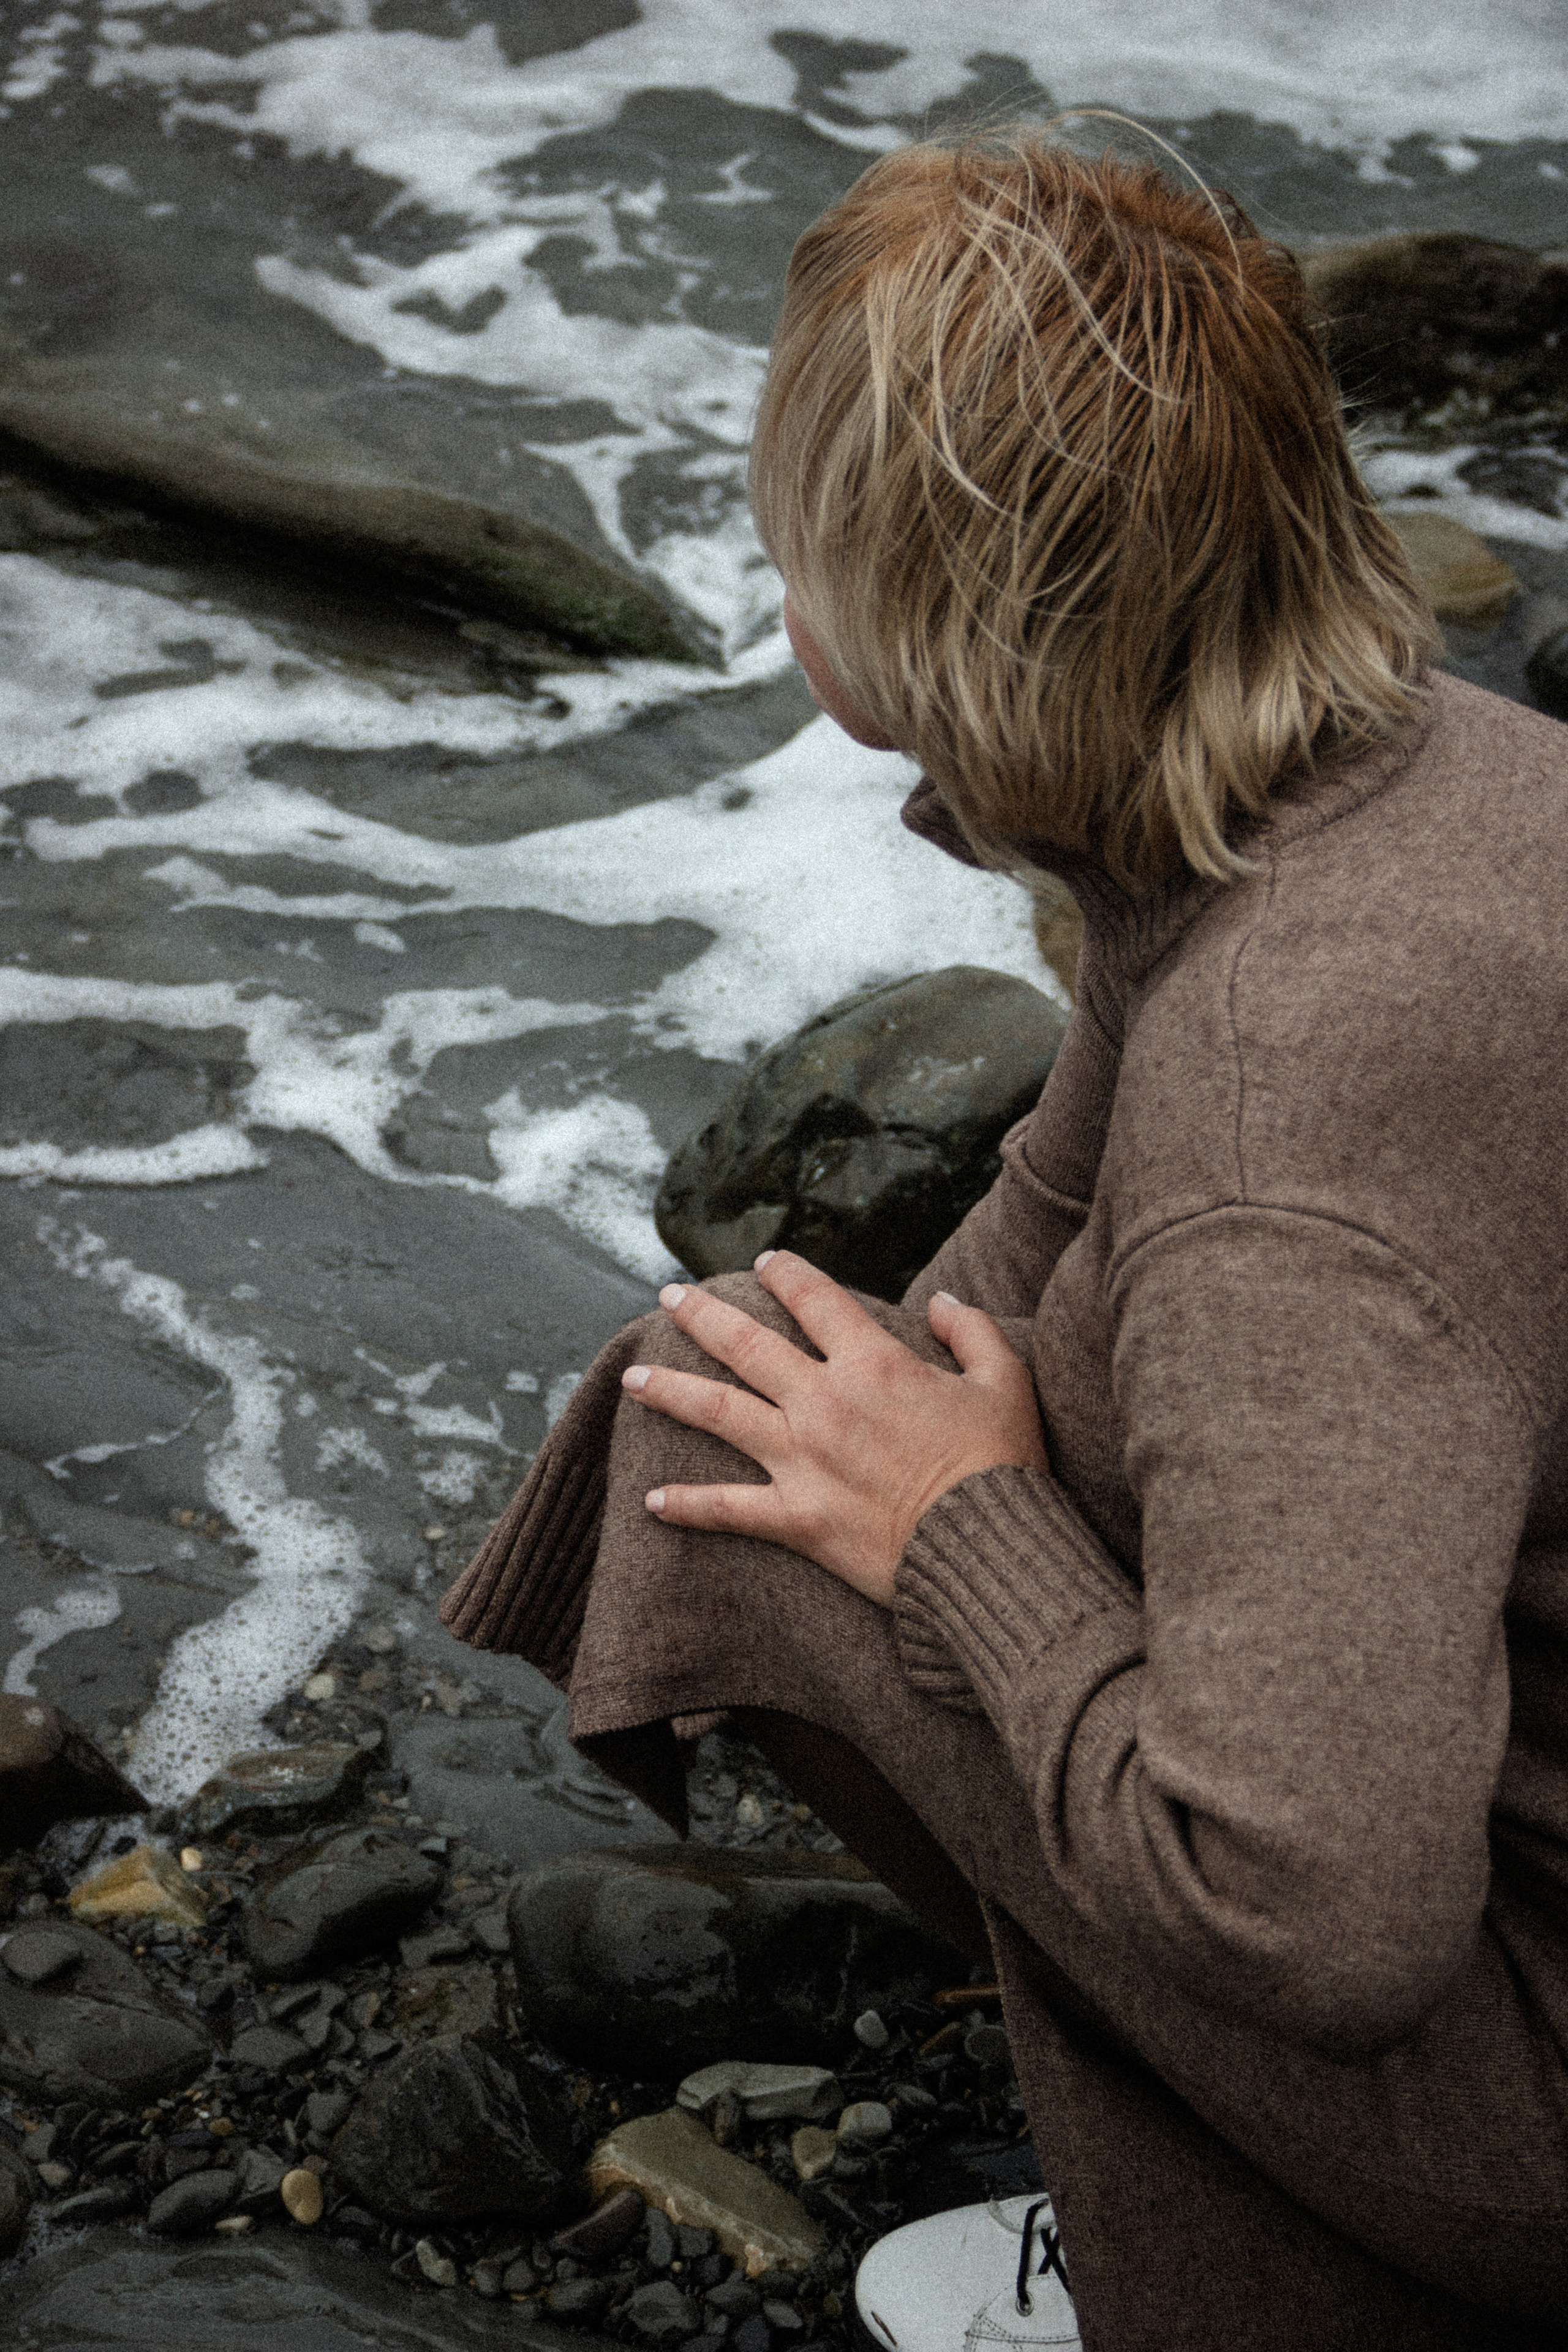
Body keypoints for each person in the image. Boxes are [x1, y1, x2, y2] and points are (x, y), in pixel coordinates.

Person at [443, 129, 1568, 2350]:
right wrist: (910, 1408)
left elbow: (1326, 1919)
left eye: (803, 563)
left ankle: (1266, 2246)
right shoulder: (1429, 764)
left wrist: (958, 1535)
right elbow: (1040, 1221)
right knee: (797, 1374)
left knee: (726, 1486)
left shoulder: (1284, 1145)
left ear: (937, 634)